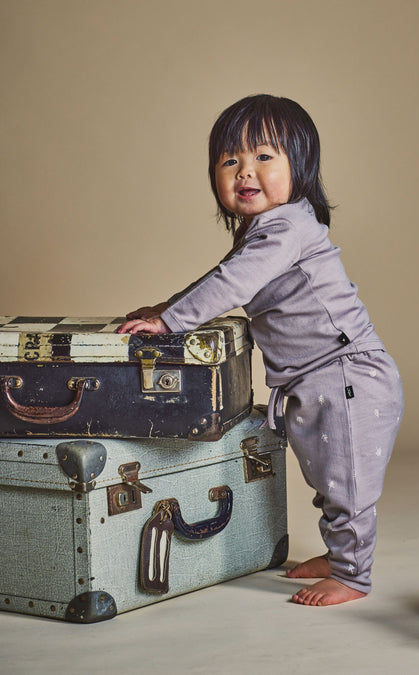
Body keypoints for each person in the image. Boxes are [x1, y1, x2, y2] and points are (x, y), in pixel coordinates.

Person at [117, 94, 404, 606]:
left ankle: (353, 575)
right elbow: (222, 276)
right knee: (326, 475)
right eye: (230, 160)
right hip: (314, 378)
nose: (245, 171)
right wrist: (169, 307)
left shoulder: (289, 226)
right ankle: (339, 556)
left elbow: (233, 283)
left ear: (301, 167)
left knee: (347, 483)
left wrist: (170, 321)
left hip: (347, 376)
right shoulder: (263, 229)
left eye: (264, 157)